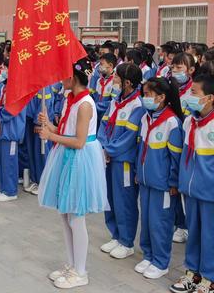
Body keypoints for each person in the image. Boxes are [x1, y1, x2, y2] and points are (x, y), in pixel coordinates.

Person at [38, 57, 109, 289]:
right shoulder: (71, 100)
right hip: (67, 156)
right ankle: (71, 264)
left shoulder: (85, 104)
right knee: (65, 214)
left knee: (76, 217)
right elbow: (65, 130)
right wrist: (49, 125)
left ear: (74, 77)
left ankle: (81, 271)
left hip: (79, 159)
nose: (60, 78)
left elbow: (78, 141)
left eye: (63, 74)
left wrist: (51, 136)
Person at [135, 77, 184, 280]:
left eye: (148, 95)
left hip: (163, 185)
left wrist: (173, 182)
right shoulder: (146, 118)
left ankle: (161, 261)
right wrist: (139, 171)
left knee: (160, 223)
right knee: (146, 221)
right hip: (146, 181)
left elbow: (176, 157)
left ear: (162, 97)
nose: (144, 98)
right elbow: (141, 148)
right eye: (144, 94)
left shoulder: (171, 122)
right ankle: (148, 254)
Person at [171, 74, 214, 293]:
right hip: (190, 189)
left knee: (210, 234)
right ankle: (192, 272)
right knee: (194, 232)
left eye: (194, 92)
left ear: (210, 98)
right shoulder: (189, 121)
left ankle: (209, 276)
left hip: (210, 193)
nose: (189, 96)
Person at [97, 63, 145, 259]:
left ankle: (127, 241)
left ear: (127, 82)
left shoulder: (137, 106)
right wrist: (103, 146)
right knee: (110, 197)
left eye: (116, 78)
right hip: (110, 158)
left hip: (123, 161)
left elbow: (128, 137)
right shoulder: (115, 102)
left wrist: (110, 150)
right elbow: (104, 124)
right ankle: (116, 235)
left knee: (124, 200)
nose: (113, 81)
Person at [171, 52, 197, 244]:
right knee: (175, 185)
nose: (175, 71)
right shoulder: (171, 88)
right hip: (172, 144)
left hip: (188, 144)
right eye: (173, 67)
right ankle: (180, 223)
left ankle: (186, 226)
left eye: (179, 68)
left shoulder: (194, 93)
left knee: (186, 188)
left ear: (190, 71)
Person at [0, 71, 26, 202]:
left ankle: (11, 191)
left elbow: (10, 111)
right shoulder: (4, 87)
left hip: (12, 131)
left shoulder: (19, 90)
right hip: (2, 129)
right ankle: (3, 187)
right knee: (1, 160)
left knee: (9, 162)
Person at [92, 53, 117, 126]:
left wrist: (96, 106)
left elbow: (114, 102)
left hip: (107, 117)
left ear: (110, 65)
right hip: (96, 115)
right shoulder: (99, 81)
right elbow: (95, 97)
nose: (99, 66)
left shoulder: (115, 82)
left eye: (101, 64)